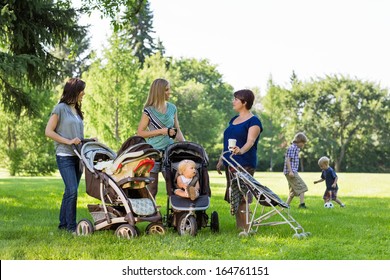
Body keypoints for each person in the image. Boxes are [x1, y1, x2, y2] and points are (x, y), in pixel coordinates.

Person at [216, 89, 263, 230]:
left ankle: (246, 227)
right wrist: (221, 159)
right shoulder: (233, 120)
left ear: (245, 102)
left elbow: (250, 141)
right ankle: (240, 227)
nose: (233, 101)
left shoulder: (254, 121)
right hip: (230, 162)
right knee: (234, 194)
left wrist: (240, 150)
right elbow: (227, 142)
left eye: (236, 99)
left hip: (244, 163)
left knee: (243, 195)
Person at [45, 78, 87, 233]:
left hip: (78, 155)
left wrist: (87, 140)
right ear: (74, 90)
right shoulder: (60, 108)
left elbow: (76, 135)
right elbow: (48, 131)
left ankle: (63, 225)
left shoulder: (76, 110)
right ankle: (71, 227)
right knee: (72, 190)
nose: (84, 93)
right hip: (64, 155)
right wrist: (68, 141)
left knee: (70, 191)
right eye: (82, 89)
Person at [137, 78, 185, 198]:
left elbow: (177, 129)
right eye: (167, 90)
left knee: (173, 185)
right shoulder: (148, 111)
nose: (170, 92)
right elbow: (140, 133)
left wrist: (184, 144)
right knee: (152, 188)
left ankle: (176, 213)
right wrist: (162, 131)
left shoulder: (172, 108)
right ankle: (151, 214)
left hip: (169, 152)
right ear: (159, 91)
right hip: (153, 153)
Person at [284, 132, 309, 208]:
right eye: (303, 143)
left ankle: (285, 205)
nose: (303, 145)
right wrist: (291, 171)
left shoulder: (296, 148)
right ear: (298, 141)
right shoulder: (292, 148)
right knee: (302, 187)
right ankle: (302, 205)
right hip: (291, 172)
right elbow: (287, 160)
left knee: (293, 191)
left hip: (291, 171)